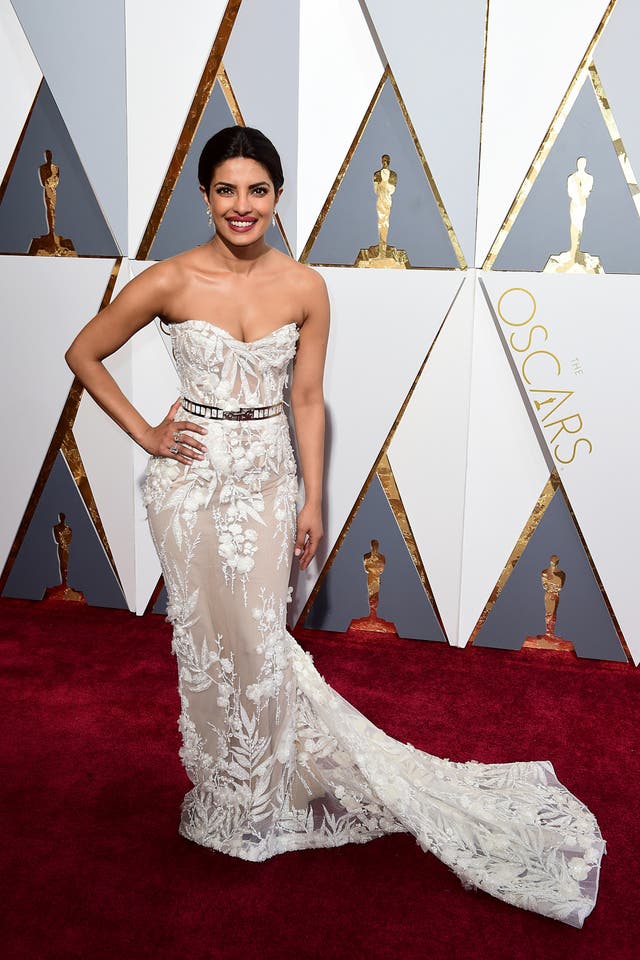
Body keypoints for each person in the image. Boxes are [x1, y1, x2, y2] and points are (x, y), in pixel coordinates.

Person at [66, 125, 604, 927]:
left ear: (277, 198)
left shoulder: (307, 286)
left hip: (267, 479)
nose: (241, 205)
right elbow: (84, 352)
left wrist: (313, 498)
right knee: (204, 643)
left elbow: (308, 401)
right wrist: (147, 432)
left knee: (258, 641)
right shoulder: (169, 279)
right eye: (225, 189)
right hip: (188, 488)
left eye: (257, 190)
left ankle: (265, 790)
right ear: (204, 195)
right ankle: (226, 792)